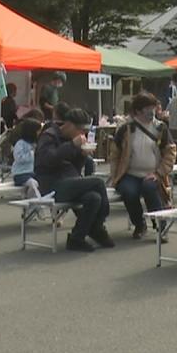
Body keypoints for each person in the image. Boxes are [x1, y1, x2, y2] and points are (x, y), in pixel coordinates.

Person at [36, 107, 113, 252]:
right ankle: (98, 227)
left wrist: (82, 155)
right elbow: (47, 160)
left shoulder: (72, 140)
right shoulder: (49, 136)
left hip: (69, 182)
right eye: (81, 130)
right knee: (97, 182)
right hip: (52, 185)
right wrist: (72, 145)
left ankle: (76, 238)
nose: (83, 134)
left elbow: (75, 169)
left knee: (93, 197)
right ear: (70, 125)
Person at [108, 93, 176, 240]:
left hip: (153, 173)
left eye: (154, 108)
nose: (152, 112)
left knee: (149, 188)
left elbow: (170, 153)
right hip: (130, 173)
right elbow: (115, 154)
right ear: (138, 111)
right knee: (129, 192)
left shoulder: (160, 128)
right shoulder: (125, 129)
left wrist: (159, 173)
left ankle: (160, 226)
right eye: (148, 108)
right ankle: (139, 224)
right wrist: (115, 176)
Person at [10, 118, 42, 197]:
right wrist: (32, 153)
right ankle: (30, 201)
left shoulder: (35, 143)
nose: (40, 133)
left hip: (32, 172)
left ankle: (34, 197)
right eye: (38, 131)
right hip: (21, 174)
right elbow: (19, 158)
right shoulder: (20, 143)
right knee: (34, 184)